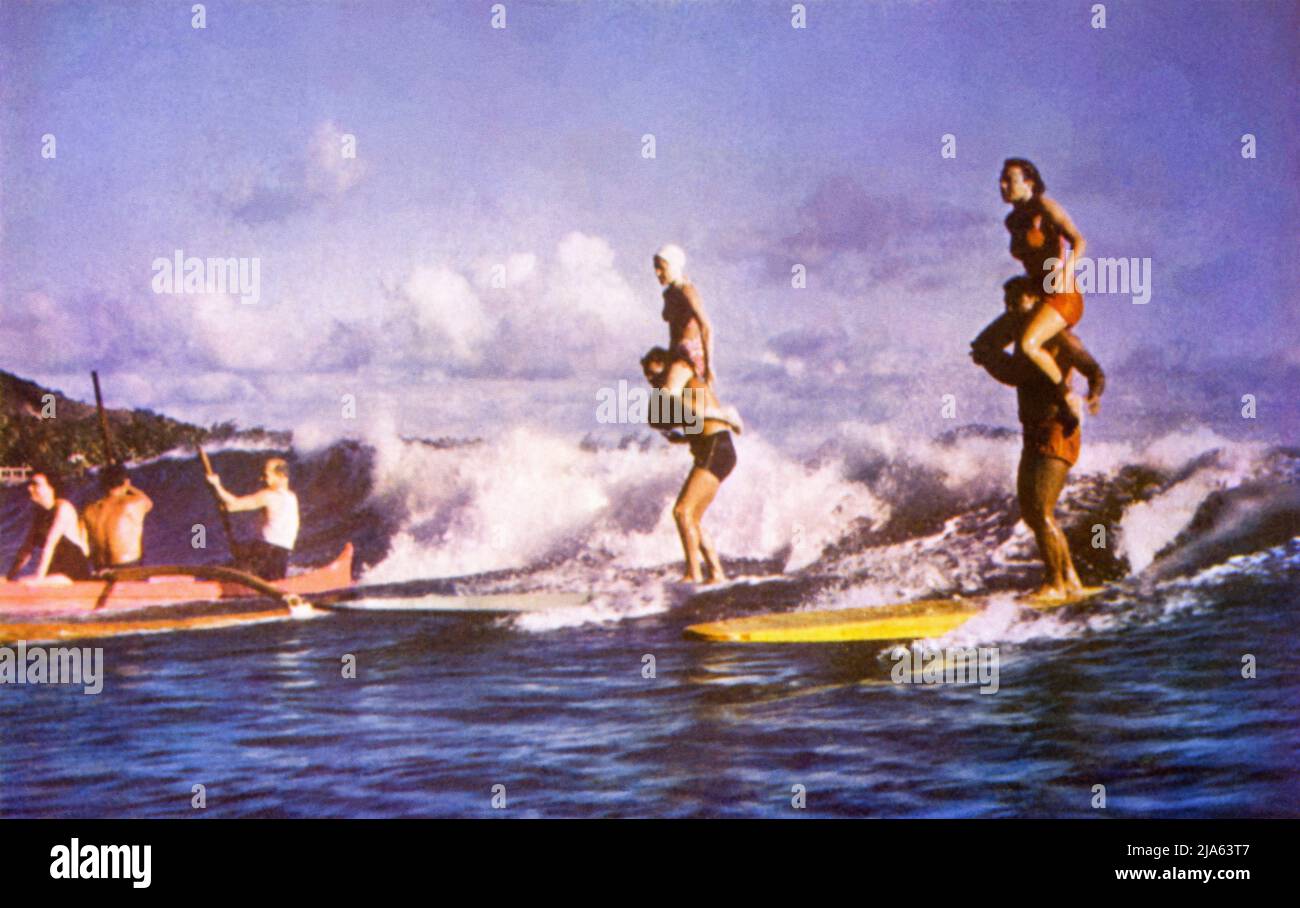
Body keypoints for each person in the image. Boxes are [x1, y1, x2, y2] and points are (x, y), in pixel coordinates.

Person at [971, 276, 1106, 600]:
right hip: (1032, 430)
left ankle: (1055, 583)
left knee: (1042, 511)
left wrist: (1093, 396)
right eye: (1005, 304)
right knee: (1033, 513)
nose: (1008, 310)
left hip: (1058, 427)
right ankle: (1070, 580)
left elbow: (1096, 372)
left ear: (1036, 301)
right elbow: (983, 346)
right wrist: (995, 343)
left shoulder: (1061, 338)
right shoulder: (1023, 342)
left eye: (1015, 302)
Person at [999, 158, 1088, 432]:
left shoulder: (1044, 207)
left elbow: (1079, 241)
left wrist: (1065, 271)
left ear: (1030, 183)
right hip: (1035, 293)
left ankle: (1068, 399)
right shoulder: (1012, 219)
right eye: (1000, 181)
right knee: (985, 345)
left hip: (1061, 293)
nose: (1002, 186)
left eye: (1009, 181)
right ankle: (1030, 387)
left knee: (1028, 344)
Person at [642, 346, 734, 584]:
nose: (652, 381)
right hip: (716, 450)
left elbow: (705, 413)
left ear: (669, 368)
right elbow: (693, 422)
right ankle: (716, 574)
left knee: (682, 511)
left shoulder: (688, 384)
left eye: (655, 374)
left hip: (716, 448)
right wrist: (680, 437)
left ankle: (692, 574)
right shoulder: (682, 391)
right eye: (648, 377)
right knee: (692, 517)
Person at [204, 457, 300, 580]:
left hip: (266, 554)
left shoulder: (269, 495)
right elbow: (232, 505)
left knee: (219, 571)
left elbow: (233, 505)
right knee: (242, 552)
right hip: (281, 558)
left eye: (266, 475)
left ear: (280, 475)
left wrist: (217, 485)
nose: (262, 479)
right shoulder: (292, 497)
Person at [6, 471, 92, 583]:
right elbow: (26, 550)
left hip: (73, 571)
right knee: (20, 582)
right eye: (30, 484)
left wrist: (39, 579)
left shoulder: (63, 508)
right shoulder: (40, 514)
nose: (30, 488)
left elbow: (49, 545)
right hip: (56, 571)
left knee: (25, 582)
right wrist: (10, 577)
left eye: (36, 484)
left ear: (51, 488)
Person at [81, 463, 153, 571]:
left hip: (100, 568)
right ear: (125, 482)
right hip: (127, 566)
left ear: (103, 484)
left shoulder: (88, 510)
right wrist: (128, 486)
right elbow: (148, 502)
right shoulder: (133, 503)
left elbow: (83, 544)